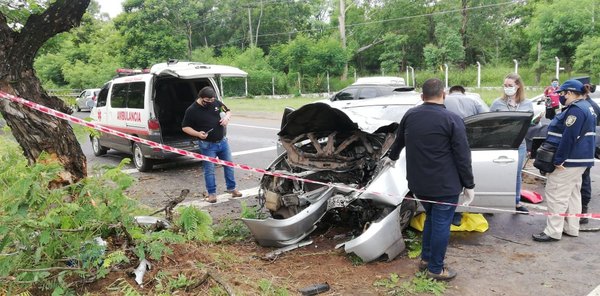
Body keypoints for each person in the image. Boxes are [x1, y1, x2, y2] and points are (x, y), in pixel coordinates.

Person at [385, 78, 475, 281]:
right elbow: (463, 156)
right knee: (441, 223)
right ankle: (436, 268)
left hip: (419, 184)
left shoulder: (410, 115)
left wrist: (391, 157)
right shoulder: (452, 119)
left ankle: (426, 259)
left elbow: (399, 141)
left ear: (421, 96)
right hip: (444, 185)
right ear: (444, 94)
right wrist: (469, 184)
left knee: (432, 220)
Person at [532, 79, 596, 242]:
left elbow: (569, 137)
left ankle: (553, 231)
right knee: (573, 194)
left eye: (562, 93)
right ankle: (571, 227)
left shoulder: (575, 110)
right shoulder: (587, 106)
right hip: (580, 160)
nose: (560, 96)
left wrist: (558, 160)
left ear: (570, 93)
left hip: (569, 160)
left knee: (556, 194)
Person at [182, 86, 242, 203]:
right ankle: (212, 194)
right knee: (209, 170)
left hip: (223, 142)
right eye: (207, 101)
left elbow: (228, 111)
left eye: (212, 100)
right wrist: (198, 134)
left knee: (229, 166)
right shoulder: (192, 110)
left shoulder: (215, 102)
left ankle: (232, 189)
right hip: (207, 145)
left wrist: (226, 118)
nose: (210, 103)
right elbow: (185, 127)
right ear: (201, 98)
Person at [490, 73, 533, 214]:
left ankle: (516, 202)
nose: (507, 88)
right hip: (501, 143)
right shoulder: (497, 103)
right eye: (505, 86)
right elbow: (490, 123)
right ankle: (492, 202)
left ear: (518, 86)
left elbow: (529, 124)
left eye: (510, 86)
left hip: (519, 144)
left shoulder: (527, 103)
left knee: (516, 174)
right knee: (497, 173)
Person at [444, 85, 486, 226]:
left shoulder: (444, 100)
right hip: (472, 144)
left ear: (450, 92)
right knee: (466, 174)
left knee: (452, 179)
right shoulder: (475, 101)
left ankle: (453, 213)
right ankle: (460, 211)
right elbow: (488, 118)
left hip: (448, 146)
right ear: (463, 92)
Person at [572, 77, 600, 224]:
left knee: (583, 180)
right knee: (583, 179)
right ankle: (581, 210)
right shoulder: (591, 105)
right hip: (587, 147)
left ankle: (582, 210)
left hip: (581, 148)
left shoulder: (584, 106)